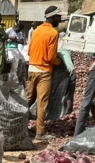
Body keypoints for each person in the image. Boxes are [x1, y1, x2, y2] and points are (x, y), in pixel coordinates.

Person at [26, 6, 62, 142]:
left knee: (28, 99)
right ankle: (40, 133)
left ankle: (16, 121)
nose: (60, 19)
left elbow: (29, 51)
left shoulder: (36, 31)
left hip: (31, 69)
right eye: (58, 17)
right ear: (52, 18)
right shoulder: (53, 33)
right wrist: (59, 62)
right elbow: (50, 57)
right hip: (44, 72)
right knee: (42, 103)